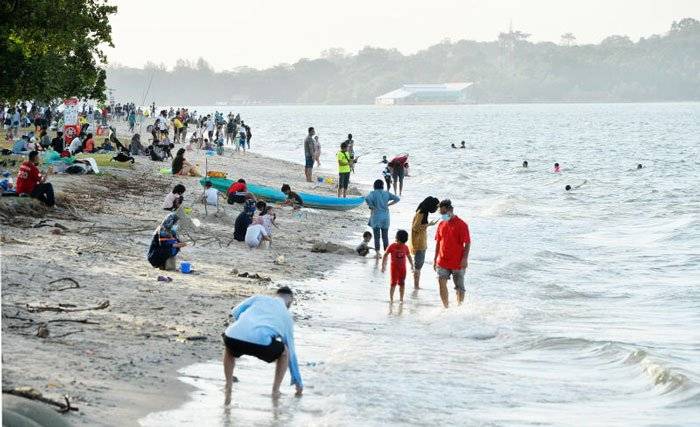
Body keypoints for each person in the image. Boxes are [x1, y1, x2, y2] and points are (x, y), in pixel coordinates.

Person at [222, 286, 303, 404]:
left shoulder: (258, 298)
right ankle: (275, 390)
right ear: (290, 300)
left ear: (276, 295)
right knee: (285, 352)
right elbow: (292, 352)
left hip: (232, 337)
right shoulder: (287, 318)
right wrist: (298, 381)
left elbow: (235, 312)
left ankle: (228, 385)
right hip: (261, 343)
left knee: (229, 348)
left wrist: (249, 322)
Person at [434, 199, 471, 308]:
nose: (443, 215)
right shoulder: (441, 224)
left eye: (444, 213)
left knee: (459, 287)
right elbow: (438, 242)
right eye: (441, 213)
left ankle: (459, 308)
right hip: (442, 261)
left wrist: (465, 259)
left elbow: (467, 243)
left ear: (451, 210)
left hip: (457, 262)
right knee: (441, 283)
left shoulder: (462, 225)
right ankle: (446, 308)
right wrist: (435, 258)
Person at [364, 179, 400, 257]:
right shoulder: (386, 193)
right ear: (382, 186)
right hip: (386, 217)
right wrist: (389, 204)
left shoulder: (373, 193)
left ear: (374, 186)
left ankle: (377, 253)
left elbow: (367, 199)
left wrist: (371, 206)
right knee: (385, 236)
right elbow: (397, 199)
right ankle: (386, 253)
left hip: (376, 217)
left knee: (377, 237)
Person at [410, 196, 440, 289]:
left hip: (420, 241)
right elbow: (415, 227)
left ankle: (416, 285)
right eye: (436, 207)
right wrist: (429, 224)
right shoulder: (421, 213)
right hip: (419, 242)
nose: (436, 209)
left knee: (418, 265)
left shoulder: (422, 212)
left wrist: (428, 225)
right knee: (418, 265)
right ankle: (416, 286)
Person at [382, 229, 414, 303]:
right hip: (394, 268)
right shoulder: (392, 246)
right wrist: (383, 265)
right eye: (399, 242)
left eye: (402, 243)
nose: (400, 244)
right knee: (393, 283)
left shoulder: (405, 247)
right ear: (397, 239)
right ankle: (391, 300)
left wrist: (412, 265)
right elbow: (385, 254)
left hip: (403, 269)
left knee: (402, 284)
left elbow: (409, 256)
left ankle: (401, 299)